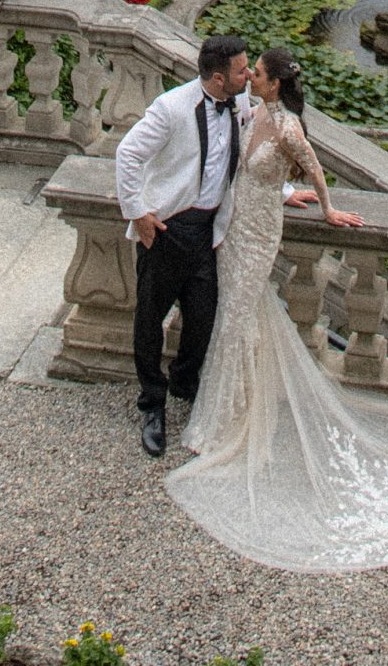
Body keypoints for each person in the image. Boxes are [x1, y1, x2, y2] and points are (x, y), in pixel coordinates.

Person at [164, 47, 388, 573]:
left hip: (259, 231)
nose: (250, 78)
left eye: (258, 74)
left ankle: (228, 419)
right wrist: (286, 190)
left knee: (241, 315)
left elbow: (314, 166)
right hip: (235, 225)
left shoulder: (290, 126)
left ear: (273, 84)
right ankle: (236, 404)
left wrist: (328, 206)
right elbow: (249, 164)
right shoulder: (256, 111)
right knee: (235, 316)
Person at [115, 32, 256, 457]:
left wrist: (285, 192)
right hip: (167, 230)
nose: (248, 74)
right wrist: (138, 212)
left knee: (202, 319)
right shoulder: (171, 108)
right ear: (217, 78)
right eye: (241, 70)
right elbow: (127, 154)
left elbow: (250, 158)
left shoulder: (241, 102)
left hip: (210, 232)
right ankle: (151, 404)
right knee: (149, 320)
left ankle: (185, 382)